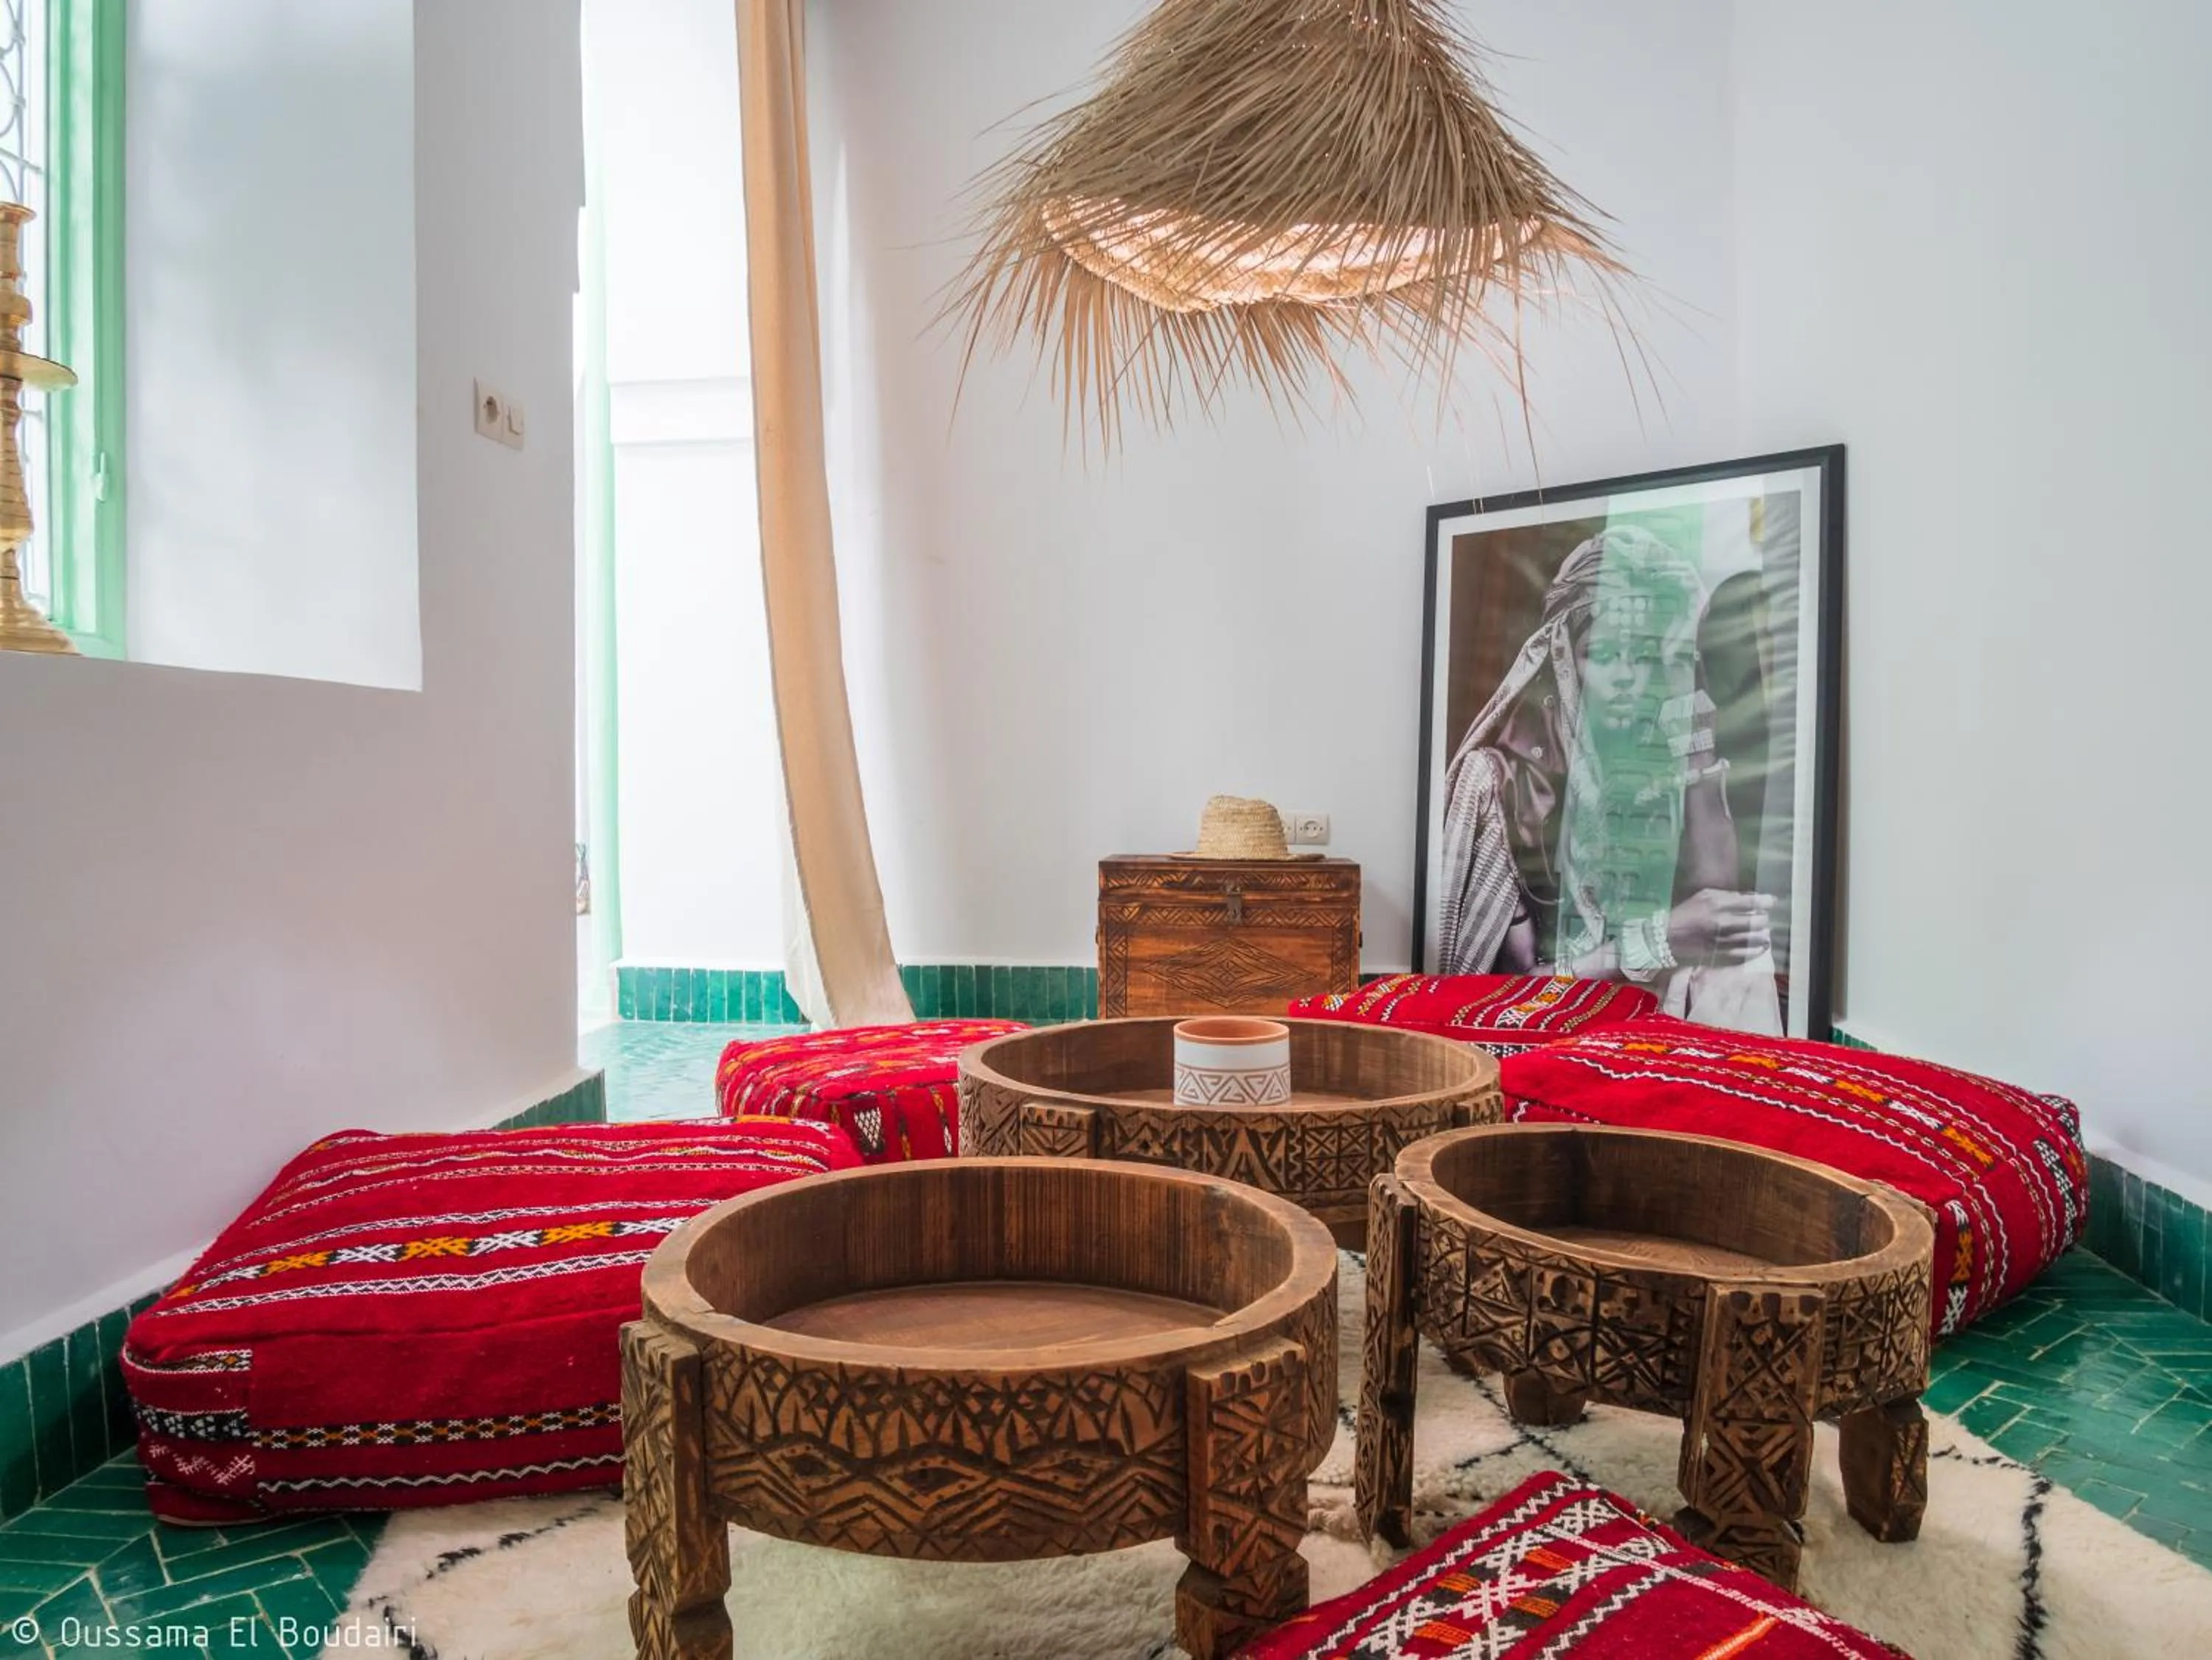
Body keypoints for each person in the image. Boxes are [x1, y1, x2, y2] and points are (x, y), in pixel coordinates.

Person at [1434, 524, 1781, 1030]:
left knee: (1742, 962)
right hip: (1543, 1019)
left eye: (1643, 656)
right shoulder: (1500, 781)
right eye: (1600, 652)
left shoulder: (1655, 757)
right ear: (1562, 660)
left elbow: (1716, 901)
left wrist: (1694, 743)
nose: (1625, 676)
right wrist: (1657, 940)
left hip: (1633, 1001)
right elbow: (1507, 991)